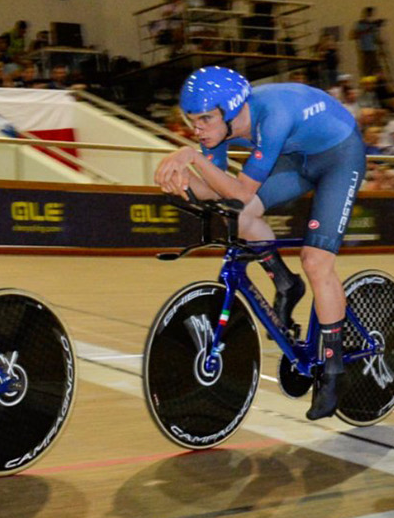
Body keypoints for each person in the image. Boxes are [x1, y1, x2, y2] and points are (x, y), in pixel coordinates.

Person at [154, 66, 367, 421]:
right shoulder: (218, 131)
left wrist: (188, 158)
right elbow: (221, 195)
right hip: (296, 156)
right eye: (192, 119)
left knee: (315, 261)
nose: (197, 128)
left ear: (232, 110)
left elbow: (238, 190)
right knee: (241, 216)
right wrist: (184, 183)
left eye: (205, 118)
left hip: (339, 156)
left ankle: (333, 371)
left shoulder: (273, 115)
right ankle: (284, 281)